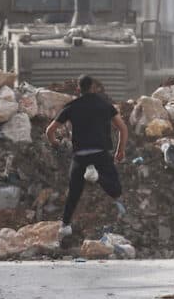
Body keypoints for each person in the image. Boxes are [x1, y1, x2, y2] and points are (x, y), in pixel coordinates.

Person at [45, 74, 129, 238]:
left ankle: (65, 226)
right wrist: (120, 150)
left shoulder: (72, 106)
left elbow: (50, 131)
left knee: (74, 194)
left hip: (80, 156)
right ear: (94, 88)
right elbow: (123, 128)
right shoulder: (105, 105)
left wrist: (55, 143)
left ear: (79, 89)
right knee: (115, 189)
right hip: (100, 154)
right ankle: (96, 177)